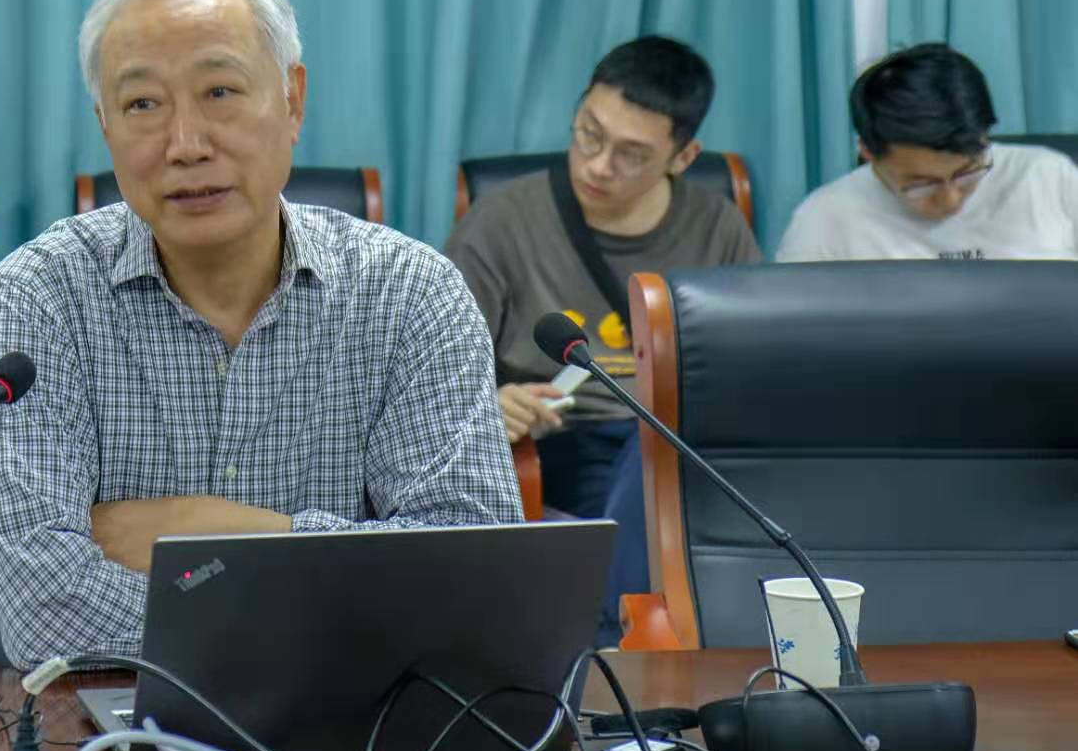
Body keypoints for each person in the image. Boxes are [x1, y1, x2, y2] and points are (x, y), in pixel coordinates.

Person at [0, 0, 522, 669]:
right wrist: (345, 597)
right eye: (142, 106)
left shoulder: (411, 294)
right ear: (104, 125)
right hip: (118, 722)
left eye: (220, 92)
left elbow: (472, 583)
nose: (186, 146)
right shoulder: (37, 299)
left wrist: (241, 534)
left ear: (293, 100)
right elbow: (42, 612)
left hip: (361, 720)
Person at [444, 36, 760, 644]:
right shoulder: (502, 222)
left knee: (658, 444)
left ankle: (616, 644)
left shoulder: (717, 227)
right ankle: (616, 644)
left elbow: (749, 367)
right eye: (589, 134)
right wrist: (490, 405)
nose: (597, 165)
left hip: (682, 445)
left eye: (631, 155)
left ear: (683, 156)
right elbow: (434, 372)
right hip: (564, 441)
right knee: (647, 464)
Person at [778, 43, 1078, 261]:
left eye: (967, 173)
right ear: (868, 152)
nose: (951, 199)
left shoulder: (1048, 179)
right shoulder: (824, 220)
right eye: (921, 185)